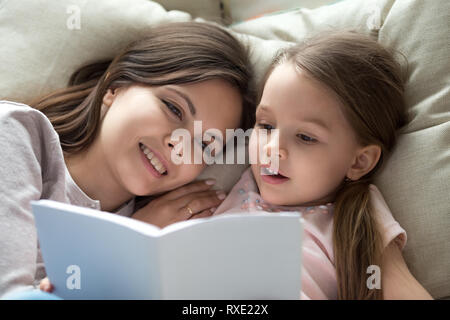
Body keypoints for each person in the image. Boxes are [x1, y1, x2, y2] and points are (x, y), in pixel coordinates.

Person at [0, 21, 256, 298]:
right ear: (115, 87)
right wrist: (132, 243)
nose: (180, 145)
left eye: (205, 144)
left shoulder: (162, 235)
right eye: (173, 108)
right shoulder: (18, 132)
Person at [210, 31, 433, 300]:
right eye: (266, 126)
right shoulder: (232, 180)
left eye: (305, 137)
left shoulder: (358, 216)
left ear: (359, 161)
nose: (271, 149)